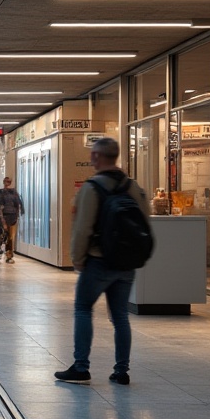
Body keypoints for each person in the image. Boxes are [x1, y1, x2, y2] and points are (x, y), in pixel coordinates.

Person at [55, 137, 152, 385]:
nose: (90, 158)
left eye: (92, 154)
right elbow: (144, 221)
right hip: (126, 263)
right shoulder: (133, 187)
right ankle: (121, 371)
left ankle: (81, 367)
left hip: (98, 261)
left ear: (98, 157)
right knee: (120, 316)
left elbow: (82, 229)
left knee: (83, 309)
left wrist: (77, 259)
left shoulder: (92, 187)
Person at [0, 177, 25, 263]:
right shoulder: (2, 193)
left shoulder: (14, 192)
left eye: (9, 181)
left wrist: (18, 214)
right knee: (4, 235)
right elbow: (0, 206)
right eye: (6, 181)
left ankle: (9, 254)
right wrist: (2, 218)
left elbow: (18, 204)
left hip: (12, 217)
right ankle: (1, 250)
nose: (7, 183)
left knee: (10, 237)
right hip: (5, 217)